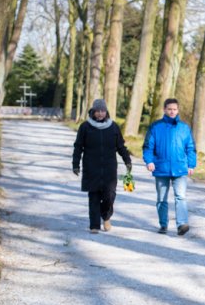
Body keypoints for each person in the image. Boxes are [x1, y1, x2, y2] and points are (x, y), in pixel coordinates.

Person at [72, 98, 132, 233]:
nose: (100, 114)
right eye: (97, 111)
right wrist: (75, 164)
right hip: (91, 168)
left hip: (109, 169)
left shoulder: (113, 127)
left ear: (106, 112)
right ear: (92, 112)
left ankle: (106, 217)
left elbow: (120, 146)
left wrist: (127, 160)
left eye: (102, 111)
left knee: (109, 195)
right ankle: (94, 225)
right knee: (93, 196)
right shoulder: (85, 127)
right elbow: (78, 147)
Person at [142, 98, 197, 235]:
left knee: (181, 197)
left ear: (178, 110)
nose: (172, 112)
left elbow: (191, 148)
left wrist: (191, 164)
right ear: (164, 110)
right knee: (161, 199)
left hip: (180, 169)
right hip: (161, 168)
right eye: (169, 109)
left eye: (175, 109)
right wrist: (149, 161)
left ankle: (182, 224)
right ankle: (163, 224)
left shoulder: (184, 128)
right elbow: (148, 146)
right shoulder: (155, 127)